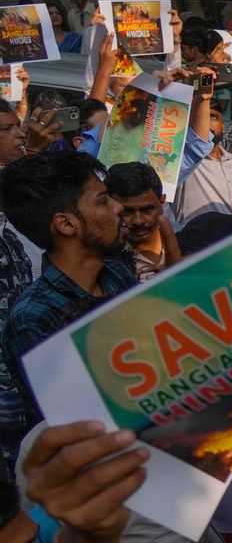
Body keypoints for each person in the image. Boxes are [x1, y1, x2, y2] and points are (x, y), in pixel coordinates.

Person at [0, 151, 137, 460]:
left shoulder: (116, 273)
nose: (119, 207)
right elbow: (73, 422)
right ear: (65, 224)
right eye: (102, 201)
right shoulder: (33, 319)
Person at [173, 100, 232, 224]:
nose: (206, 122)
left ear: (223, 126)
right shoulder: (180, 160)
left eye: (212, 116)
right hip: (198, 240)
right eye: (200, 116)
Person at [104, 162, 181, 281]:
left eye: (147, 210)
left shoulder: (188, 239)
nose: (138, 221)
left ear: (162, 201)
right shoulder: (105, 262)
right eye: (126, 211)